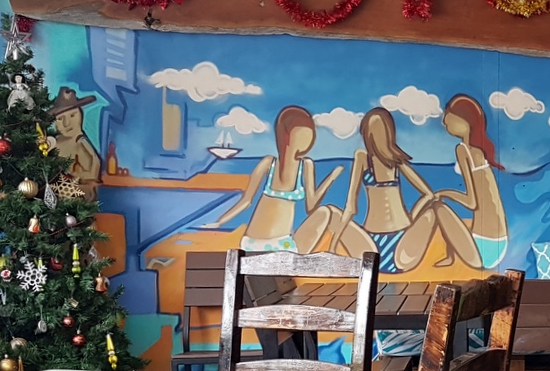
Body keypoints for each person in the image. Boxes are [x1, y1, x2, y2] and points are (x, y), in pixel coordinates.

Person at [201, 105, 343, 253]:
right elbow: (246, 200)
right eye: (301, 136)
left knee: (327, 212)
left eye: (309, 137)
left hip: (276, 244)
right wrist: (219, 222)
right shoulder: (270, 163)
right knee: (326, 213)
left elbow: (311, 205)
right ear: (286, 136)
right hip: (261, 244)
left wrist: (331, 178)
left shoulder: (304, 165)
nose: (306, 142)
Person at [331, 107, 443, 273]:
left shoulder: (389, 160)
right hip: (388, 244)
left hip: (382, 246)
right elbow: (428, 195)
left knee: (331, 213)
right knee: (436, 210)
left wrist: (333, 245)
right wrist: (410, 218)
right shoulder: (374, 159)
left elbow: (350, 208)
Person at [427, 95, 509, 269]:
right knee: (450, 213)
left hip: (483, 248)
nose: (444, 121)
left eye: (448, 115)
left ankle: (450, 256)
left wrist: (444, 193)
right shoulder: (478, 153)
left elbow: (472, 202)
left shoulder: (463, 150)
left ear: (464, 121)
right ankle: (450, 255)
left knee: (438, 207)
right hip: (499, 243)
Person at [49, 87, 102, 184]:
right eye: (60, 118)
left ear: (81, 116)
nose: (66, 123)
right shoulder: (52, 143)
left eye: (72, 115)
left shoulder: (80, 144)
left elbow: (92, 176)